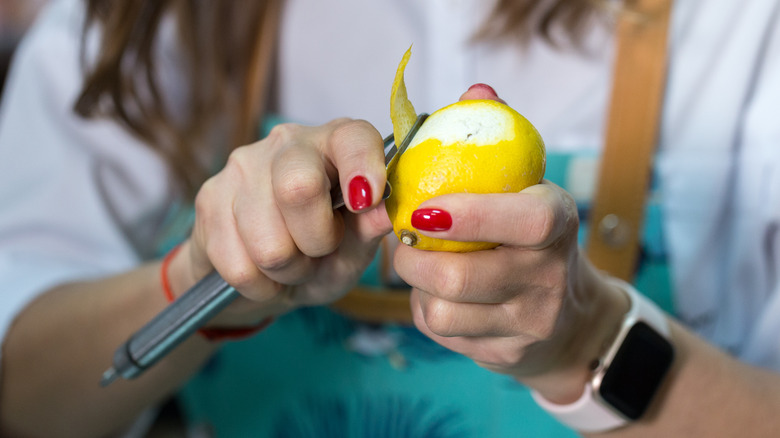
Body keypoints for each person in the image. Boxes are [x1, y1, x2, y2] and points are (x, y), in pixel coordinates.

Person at [1, 0, 780, 437]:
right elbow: (21, 399)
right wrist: (199, 284)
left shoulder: (738, 23)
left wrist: (588, 345)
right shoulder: (150, 21)